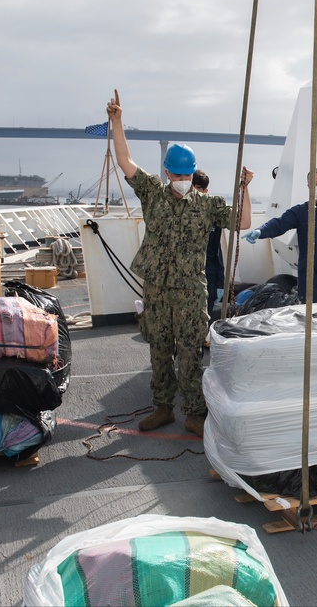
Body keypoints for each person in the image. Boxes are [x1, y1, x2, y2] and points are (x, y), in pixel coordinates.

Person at [105, 90, 254, 438]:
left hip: (190, 291)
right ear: (168, 173)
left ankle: (194, 412)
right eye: (178, 175)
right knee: (159, 348)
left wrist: (245, 188)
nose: (183, 181)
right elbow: (125, 160)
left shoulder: (207, 205)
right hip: (157, 287)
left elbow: (243, 222)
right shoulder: (153, 192)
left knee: (189, 352)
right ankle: (162, 407)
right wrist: (117, 123)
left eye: (188, 175)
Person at [244, 168, 317, 302]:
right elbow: (279, 224)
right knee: (311, 316)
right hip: (311, 277)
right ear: (308, 187)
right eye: (313, 184)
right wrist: (260, 231)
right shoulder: (301, 212)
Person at [192, 169, 225, 320]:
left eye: (198, 190)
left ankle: (204, 342)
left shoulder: (213, 216)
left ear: (205, 191)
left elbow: (216, 250)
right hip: (186, 273)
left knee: (207, 314)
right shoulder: (177, 213)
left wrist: (220, 282)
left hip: (208, 272)